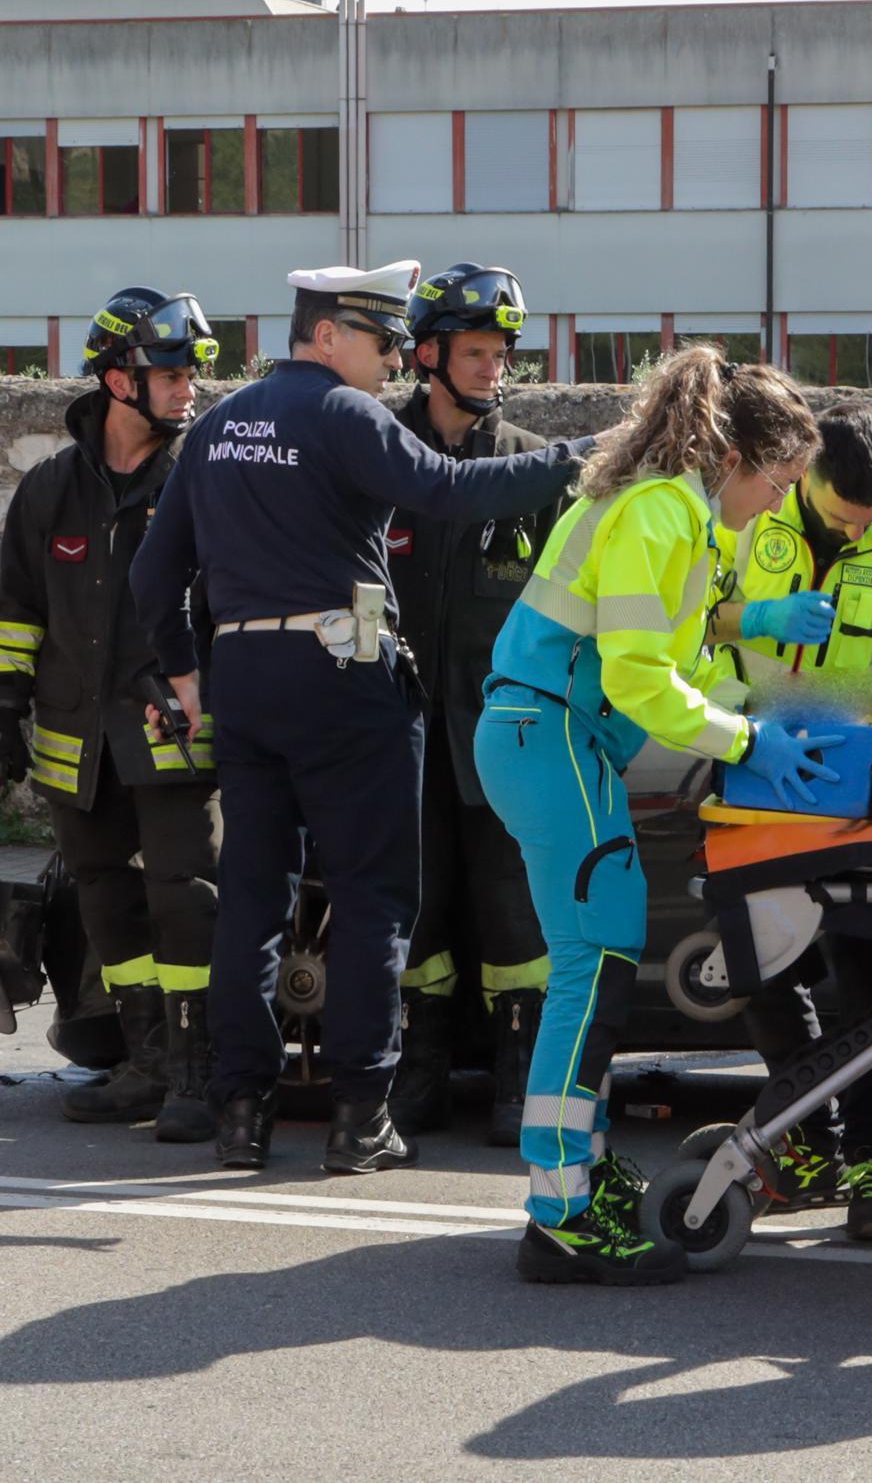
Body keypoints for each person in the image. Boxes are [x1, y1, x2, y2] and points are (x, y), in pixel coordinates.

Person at [130, 262, 596, 1178]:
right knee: (376, 896)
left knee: (254, 903)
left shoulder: (219, 425)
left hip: (247, 676)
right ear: (328, 334)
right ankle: (359, 1118)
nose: (391, 362)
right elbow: (451, 492)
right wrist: (576, 460)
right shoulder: (346, 415)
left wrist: (185, 676)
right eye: (382, 343)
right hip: (344, 674)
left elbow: (154, 575)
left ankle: (240, 1118)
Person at [478, 344, 829, 1286]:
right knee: (592, 965)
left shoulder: (675, 509)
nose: (777, 505)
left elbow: (677, 656)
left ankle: (577, 1175)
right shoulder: (661, 513)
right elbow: (640, 678)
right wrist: (748, 743)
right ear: (738, 460)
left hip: (553, 736)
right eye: (779, 483)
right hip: (550, 735)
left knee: (597, 957)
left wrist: (757, 706)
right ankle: (559, 1214)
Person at [708, 398, 872, 1242]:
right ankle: (807, 1139)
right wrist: (747, 656)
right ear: (805, 472)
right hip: (749, 747)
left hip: (856, 768)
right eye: (835, 519)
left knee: (868, 974)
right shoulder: (747, 505)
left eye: (866, 525)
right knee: (758, 962)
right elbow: (684, 624)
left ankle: (870, 1162)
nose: (853, 536)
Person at [0, 290, 222, 1140]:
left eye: (190, 372)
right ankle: (145, 1062)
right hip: (73, 743)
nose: (187, 388)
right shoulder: (52, 489)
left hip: (173, 729)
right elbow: (16, 609)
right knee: (106, 902)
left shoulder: (206, 479)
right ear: (116, 380)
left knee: (186, 896)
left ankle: (197, 1076)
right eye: (168, 373)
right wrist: (3, 709)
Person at [387, 264, 558, 1145]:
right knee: (419, 904)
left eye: (501, 354)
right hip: (401, 731)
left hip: (505, 734)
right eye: (478, 352)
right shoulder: (379, 454)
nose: (495, 369)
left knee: (510, 908)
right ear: (428, 355)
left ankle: (515, 1070)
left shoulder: (532, 468)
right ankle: (420, 1066)